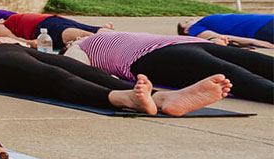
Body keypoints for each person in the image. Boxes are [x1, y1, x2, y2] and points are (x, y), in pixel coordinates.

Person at [0, 35, 230, 115]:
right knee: (51, 77)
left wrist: (12, 40)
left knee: (84, 69)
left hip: (15, 49)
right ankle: (121, 100)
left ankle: (164, 98)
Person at [67, 31, 272, 103]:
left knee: (243, 74)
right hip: (165, 51)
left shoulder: (84, 43)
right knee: (245, 74)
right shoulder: (83, 45)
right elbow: (75, 67)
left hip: (170, 49)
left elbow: (74, 68)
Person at [0, 12, 110, 50]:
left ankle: (113, 40)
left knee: (96, 32)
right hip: (45, 26)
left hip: (50, 22)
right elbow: (7, 36)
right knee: (87, 34)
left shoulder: (10, 19)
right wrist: (30, 43)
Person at [178, 13, 274, 48]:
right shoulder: (194, 28)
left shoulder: (200, 23)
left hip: (266, 20)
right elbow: (221, 38)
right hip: (259, 27)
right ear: (186, 30)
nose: (190, 19)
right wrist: (255, 42)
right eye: (186, 22)